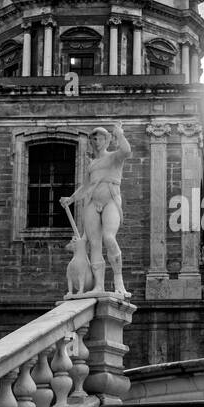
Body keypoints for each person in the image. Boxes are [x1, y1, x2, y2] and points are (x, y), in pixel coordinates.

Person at [61, 124, 131, 297]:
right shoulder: (92, 165)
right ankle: (99, 286)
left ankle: (118, 279)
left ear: (107, 140)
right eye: (94, 139)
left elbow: (126, 151)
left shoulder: (114, 157)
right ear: (91, 142)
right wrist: (71, 199)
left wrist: (120, 135)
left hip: (111, 201)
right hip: (92, 202)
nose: (97, 142)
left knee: (108, 237)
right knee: (94, 244)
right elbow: (85, 187)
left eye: (100, 138)